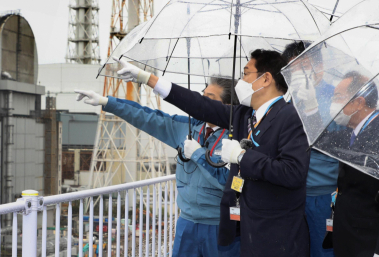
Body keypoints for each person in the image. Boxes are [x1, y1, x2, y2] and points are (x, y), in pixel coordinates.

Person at [114, 49, 311, 256]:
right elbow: (199, 105)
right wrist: (148, 79)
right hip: (247, 229)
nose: (240, 82)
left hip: (277, 234)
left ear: (266, 79)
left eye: (246, 74)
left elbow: (293, 173)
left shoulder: (291, 117)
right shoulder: (245, 115)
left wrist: (242, 157)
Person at [75, 77, 240, 257]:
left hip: (220, 225)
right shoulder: (188, 127)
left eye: (209, 98)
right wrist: (107, 102)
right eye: (202, 96)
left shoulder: (237, 139)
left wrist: (198, 155)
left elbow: (228, 182)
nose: (201, 102)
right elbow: (147, 117)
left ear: (227, 105)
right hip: (186, 222)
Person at [315, 72, 379, 257]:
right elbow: (319, 140)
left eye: (338, 97)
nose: (333, 104)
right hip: (346, 238)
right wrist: (309, 106)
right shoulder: (349, 132)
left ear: (359, 102)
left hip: (369, 243)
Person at [283, 41, 338, 257]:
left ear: (319, 65)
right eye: (292, 68)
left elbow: (328, 140)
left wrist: (311, 104)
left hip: (322, 193)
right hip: (289, 191)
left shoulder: (337, 97)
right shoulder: (287, 100)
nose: (297, 73)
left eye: (303, 65)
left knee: (322, 251)